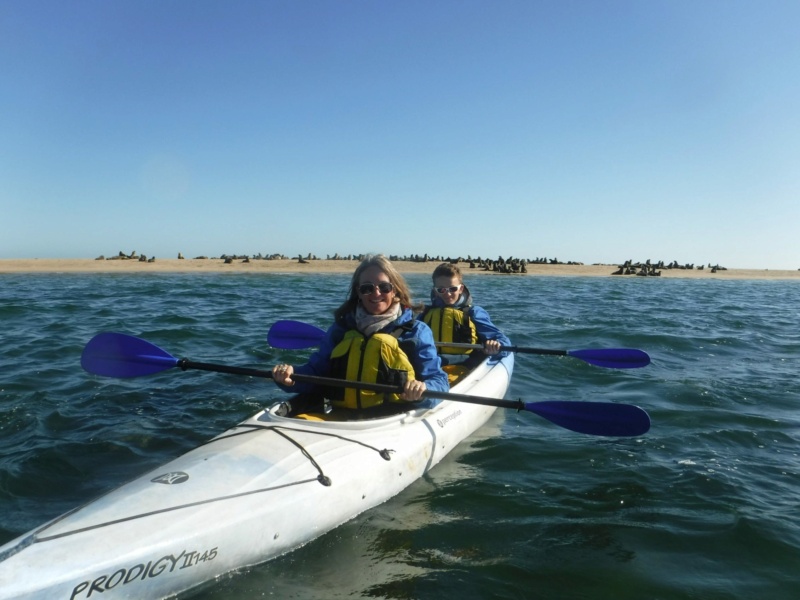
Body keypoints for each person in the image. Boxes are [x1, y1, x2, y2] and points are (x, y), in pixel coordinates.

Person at [272, 254, 449, 415]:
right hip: (340, 415)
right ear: (358, 292)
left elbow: (439, 382)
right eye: (367, 288)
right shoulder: (341, 329)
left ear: (395, 290)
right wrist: (292, 376)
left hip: (392, 418)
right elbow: (316, 373)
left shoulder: (417, 331)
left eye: (384, 287)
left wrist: (422, 389)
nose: (376, 293)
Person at [420, 262, 511, 363]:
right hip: (429, 365)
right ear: (435, 291)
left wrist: (496, 345)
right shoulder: (424, 313)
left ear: (461, 289)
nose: (448, 294)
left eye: (453, 289)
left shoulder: (473, 312)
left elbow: (502, 340)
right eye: (441, 290)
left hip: (465, 366)